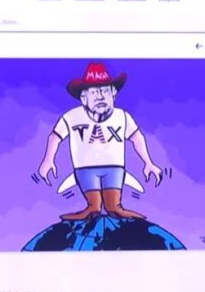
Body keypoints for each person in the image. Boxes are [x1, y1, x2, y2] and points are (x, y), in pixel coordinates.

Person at [38, 62, 163, 220]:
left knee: (114, 208)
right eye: (94, 92)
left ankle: (127, 216)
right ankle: (91, 208)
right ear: (83, 97)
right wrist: (48, 160)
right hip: (84, 168)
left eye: (105, 91)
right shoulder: (71, 117)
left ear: (114, 93)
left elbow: (136, 137)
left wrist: (148, 163)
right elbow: (55, 137)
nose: (100, 97)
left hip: (115, 168)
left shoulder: (122, 117)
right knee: (94, 208)